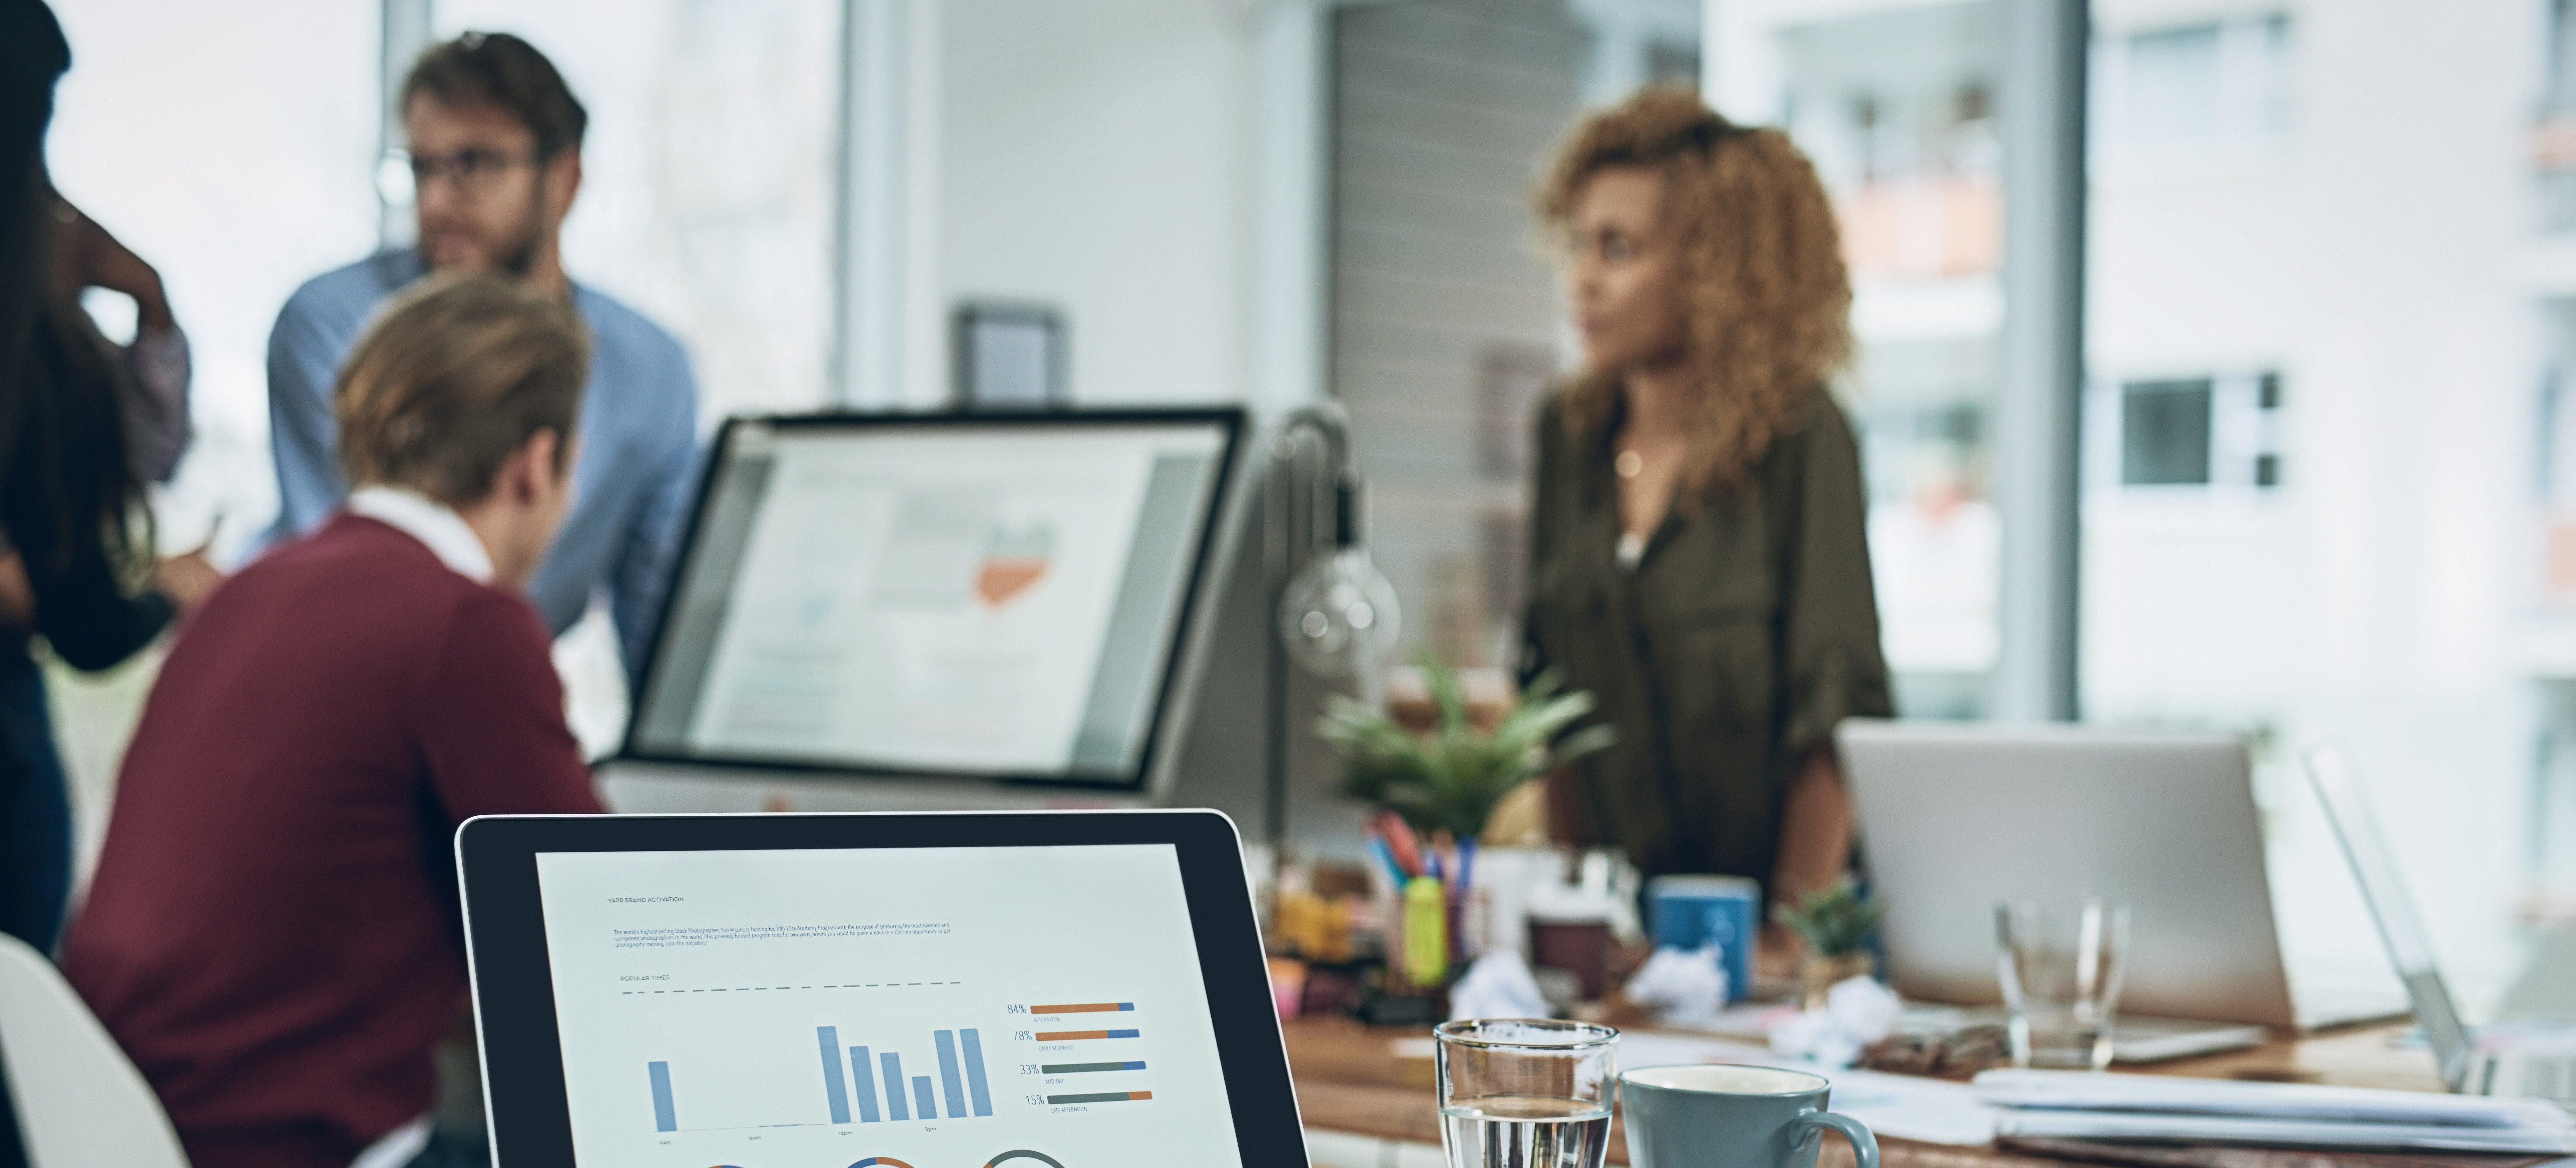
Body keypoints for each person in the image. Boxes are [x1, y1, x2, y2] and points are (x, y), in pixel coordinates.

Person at [63, 276, 607, 1168]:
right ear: (535, 463)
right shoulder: (464, 623)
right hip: (283, 1144)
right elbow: (597, 922)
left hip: (120, 1121)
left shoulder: (248, 591)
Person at [1521, 88, 1894, 925]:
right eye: (1578, 245)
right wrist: (1568, 916)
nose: (1581, 280)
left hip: (1775, 937)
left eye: (1618, 250)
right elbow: (1549, 702)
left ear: (1716, 267)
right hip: (1621, 940)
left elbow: (1831, 717)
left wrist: (1787, 941)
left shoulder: (1800, 434)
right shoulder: (1565, 434)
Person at [265, 30, 696, 689]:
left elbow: (662, 631)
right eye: (422, 168)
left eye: (473, 165)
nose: (437, 202)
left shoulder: (652, 372)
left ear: (565, 178)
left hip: (499, 685)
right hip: (335, 682)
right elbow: (358, 577)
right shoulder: (337, 324)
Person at [0, 0, 215, 960]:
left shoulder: (50, 338)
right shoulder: (37, 343)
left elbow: (150, 459)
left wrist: (150, 305)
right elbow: (81, 616)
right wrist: (165, 589)